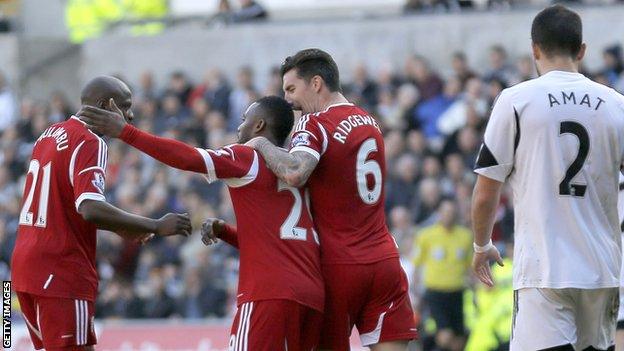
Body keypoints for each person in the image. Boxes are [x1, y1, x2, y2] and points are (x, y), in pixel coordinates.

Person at [78, 95, 324, 351]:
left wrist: (125, 132)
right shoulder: (298, 171)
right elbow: (281, 242)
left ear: (259, 126)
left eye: (244, 120)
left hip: (268, 293)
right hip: (311, 294)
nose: (239, 127)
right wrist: (225, 232)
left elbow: (189, 158)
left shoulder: (248, 156)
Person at [472, 5, 624, 350]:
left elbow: (485, 191)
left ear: (534, 49)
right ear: (582, 50)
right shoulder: (616, 105)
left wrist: (482, 245)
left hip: (545, 267)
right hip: (602, 269)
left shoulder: (515, 101)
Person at [246, 48, 417, 351]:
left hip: (339, 265)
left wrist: (258, 143)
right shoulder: (369, 121)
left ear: (315, 84)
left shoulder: (314, 124)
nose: (288, 99)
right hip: (385, 261)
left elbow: (296, 171)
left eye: (291, 88)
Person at [10, 76, 192, 351]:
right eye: (125, 106)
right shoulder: (90, 141)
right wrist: (154, 224)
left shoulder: (48, 134)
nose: (130, 115)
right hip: (61, 272)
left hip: (25, 268)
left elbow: (63, 205)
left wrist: (120, 227)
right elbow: (89, 208)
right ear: (105, 105)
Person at [413, 199, 472, 351]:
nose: (448, 216)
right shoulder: (426, 236)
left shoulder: (465, 236)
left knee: (458, 341)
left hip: (457, 292)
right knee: (445, 335)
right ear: (438, 213)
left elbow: (470, 266)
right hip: (436, 292)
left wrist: (476, 288)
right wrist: (416, 292)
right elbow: (417, 265)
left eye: (452, 212)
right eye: (445, 212)